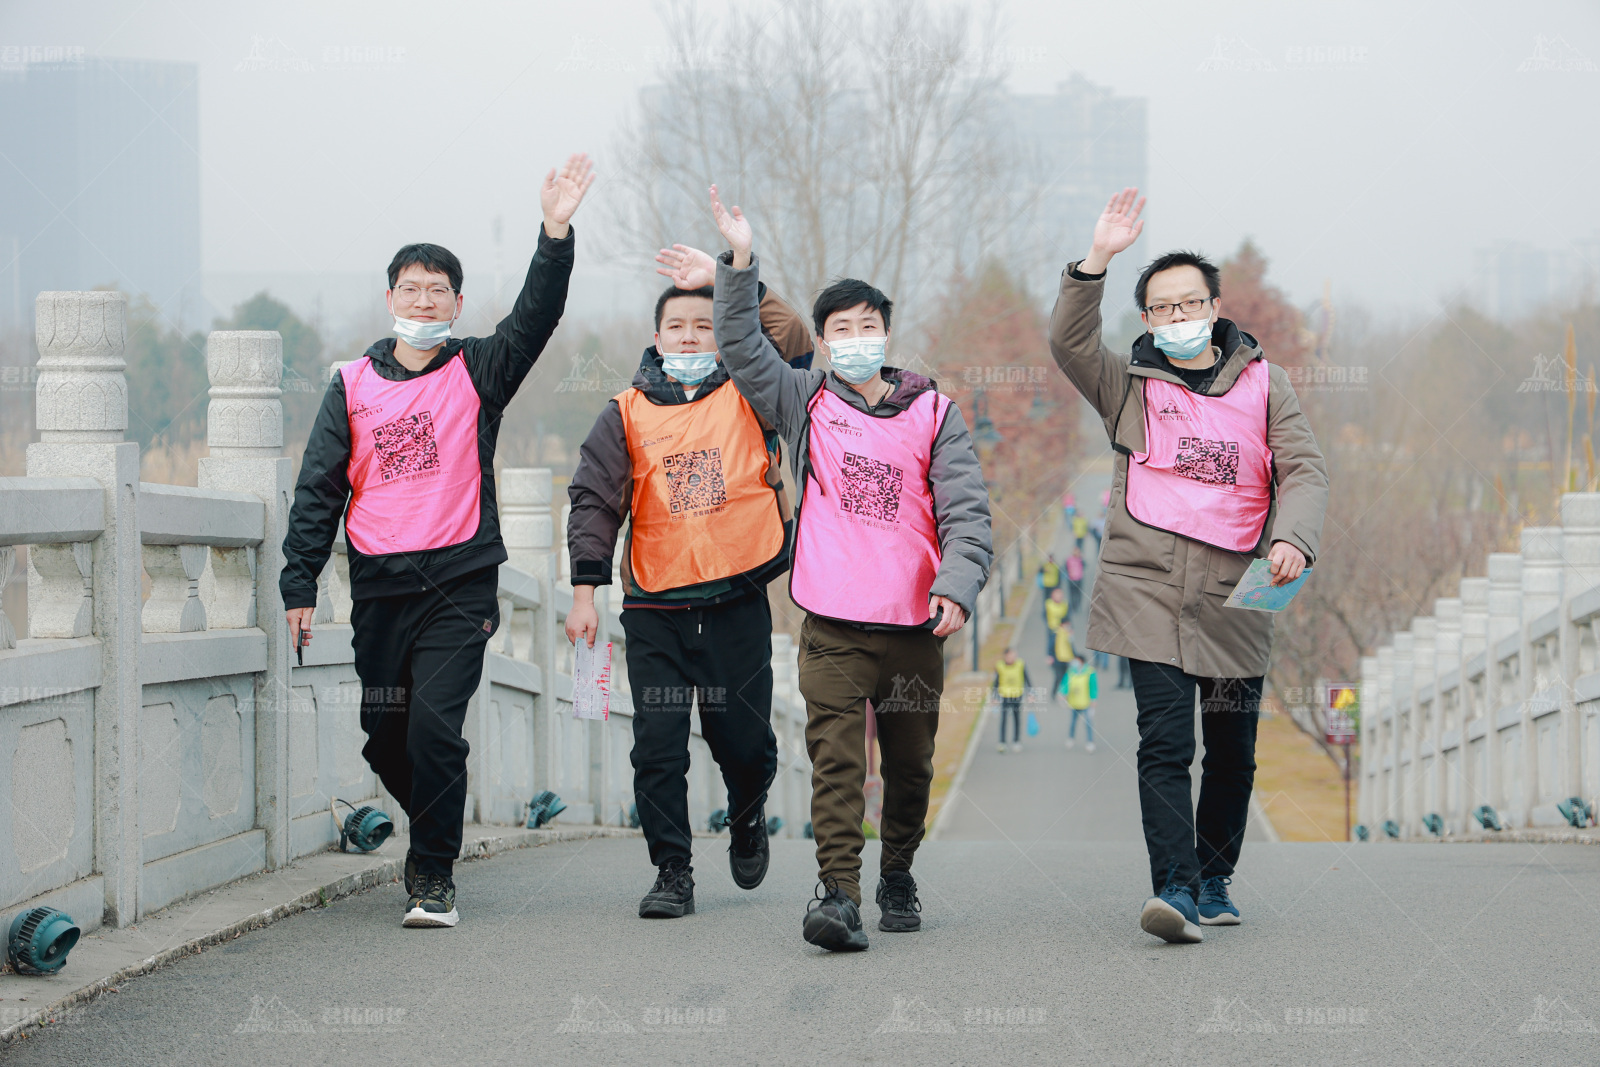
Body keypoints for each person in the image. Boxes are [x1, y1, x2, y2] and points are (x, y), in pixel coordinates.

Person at [280, 153, 596, 929]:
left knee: (433, 727)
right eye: (411, 288)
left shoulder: (479, 369)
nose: (424, 300)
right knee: (385, 733)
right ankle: (436, 812)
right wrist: (299, 584)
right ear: (390, 298)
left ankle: (433, 875)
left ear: (458, 301)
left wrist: (554, 231)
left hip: (459, 584)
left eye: (438, 290)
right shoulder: (350, 384)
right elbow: (320, 486)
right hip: (380, 586)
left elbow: (537, 316)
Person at [708, 185, 993, 953]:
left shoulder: (936, 414)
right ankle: (837, 893)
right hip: (831, 619)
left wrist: (957, 585)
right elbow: (739, 346)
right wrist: (739, 261)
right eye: (842, 328)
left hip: (913, 624)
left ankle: (896, 870)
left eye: (870, 325)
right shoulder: (802, 401)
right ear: (826, 343)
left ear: (888, 334)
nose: (857, 337)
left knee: (909, 764)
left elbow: (968, 514)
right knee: (835, 760)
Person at [1050, 187, 1328, 945]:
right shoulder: (1128, 388)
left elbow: (1302, 468)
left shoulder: (1266, 384)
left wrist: (1293, 538)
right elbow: (1071, 346)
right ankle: (1172, 885)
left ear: (1215, 305)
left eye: (1189, 303)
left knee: (1232, 747)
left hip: (1241, 589)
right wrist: (1097, 258)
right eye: (1163, 308)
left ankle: (1214, 873)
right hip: (1147, 588)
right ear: (1146, 320)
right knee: (1165, 742)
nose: (1177, 318)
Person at [564, 242, 812, 920]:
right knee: (658, 744)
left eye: (704, 325)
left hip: (736, 598)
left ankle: (748, 804)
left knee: (742, 738)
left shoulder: (753, 390)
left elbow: (794, 337)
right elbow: (593, 499)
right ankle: (672, 870)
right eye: (679, 326)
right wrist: (586, 592)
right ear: (657, 336)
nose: (691, 336)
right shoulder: (625, 412)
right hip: (656, 607)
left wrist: (731, 280)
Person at [991, 647, 1029, 754]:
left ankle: (1016, 741)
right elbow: (996, 683)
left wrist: (1030, 693)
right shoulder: (1000, 666)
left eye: (1014, 655)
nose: (1013, 657)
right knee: (1003, 719)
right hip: (1005, 695)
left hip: (1017, 695)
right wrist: (994, 697)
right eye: (1011, 655)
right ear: (1006, 656)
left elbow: (1027, 679)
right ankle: (1002, 742)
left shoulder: (1020, 664)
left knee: (1017, 719)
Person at [1062, 655, 1097, 753]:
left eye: (1076, 661)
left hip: (1086, 703)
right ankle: (1071, 738)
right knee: (1073, 722)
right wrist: (1063, 694)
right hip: (1074, 702)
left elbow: (1093, 686)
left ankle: (1090, 742)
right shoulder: (1071, 671)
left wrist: (1093, 700)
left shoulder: (1090, 672)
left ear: (1082, 662)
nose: (1074, 663)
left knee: (1088, 723)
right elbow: (1065, 684)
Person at [1037, 553, 1062, 623]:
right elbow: (1039, 571)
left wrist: (1059, 587)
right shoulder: (1045, 565)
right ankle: (1046, 613)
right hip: (1046, 585)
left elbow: (1059, 576)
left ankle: (1054, 614)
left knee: (1053, 601)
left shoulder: (1055, 566)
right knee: (1046, 601)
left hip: (1054, 586)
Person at [1065, 546, 1086, 617]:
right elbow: (1066, 567)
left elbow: (1084, 565)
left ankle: (1078, 605)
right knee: (1072, 593)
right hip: (1071, 579)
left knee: (1078, 593)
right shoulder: (1069, 559)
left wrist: (1081, 558)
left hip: (1079, 578)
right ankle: (1073, 606)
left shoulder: (1080, 559)